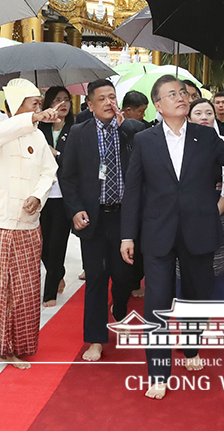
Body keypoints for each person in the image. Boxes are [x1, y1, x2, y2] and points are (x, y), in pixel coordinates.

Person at [120, 74, 224, 399]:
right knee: (156, 304)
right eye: (172, 94)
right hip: (158, 233)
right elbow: (134, 190)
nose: (180, 97)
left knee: (196, 297)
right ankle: (157, 374)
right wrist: (127, 236)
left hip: (198, 230)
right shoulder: (145, 140)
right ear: (158, 104)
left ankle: (191, 348)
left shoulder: (205, 136)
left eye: (182, 92)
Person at [58, 79, 148, 362]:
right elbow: (67, 177)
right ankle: (95, 339)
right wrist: (75, 209)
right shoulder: (78, 133)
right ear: (90, 105)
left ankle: (120, 307)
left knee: (124, 275)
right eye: (103, 99)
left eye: (113, 97)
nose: (110, 103)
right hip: (93, 217)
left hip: (125, 216)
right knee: (96, 277)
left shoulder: (130, 131)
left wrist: (126, 131)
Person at [0, 79, 57, 368]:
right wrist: (31, 118)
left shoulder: (38, 137)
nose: (40, 109)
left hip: (26, 225)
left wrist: (37, 196)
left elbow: (49, 172)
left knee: (23, 291)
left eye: (39, 104)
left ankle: (12, 347)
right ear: (17, 106)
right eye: (34, 104)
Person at [187, 98, 224, 301]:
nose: (204, 117)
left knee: (218, 265)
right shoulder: (180, 146)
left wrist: (212, 212)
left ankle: (210, 315)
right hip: (187, 213)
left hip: (219, 209)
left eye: (208, 113)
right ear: (188, 118)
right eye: (198, 113)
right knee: (186, 266)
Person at [38, 85, 74, 308]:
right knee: (42, 246)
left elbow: (76, 160)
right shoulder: (37, 128)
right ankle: (57, 271)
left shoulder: (76, 127)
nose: (63, 104)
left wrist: (56, 153)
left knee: (58, 243)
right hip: (41, 195)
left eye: (66, 99)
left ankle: (49, 292)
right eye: (57, 100)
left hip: (64, 196)